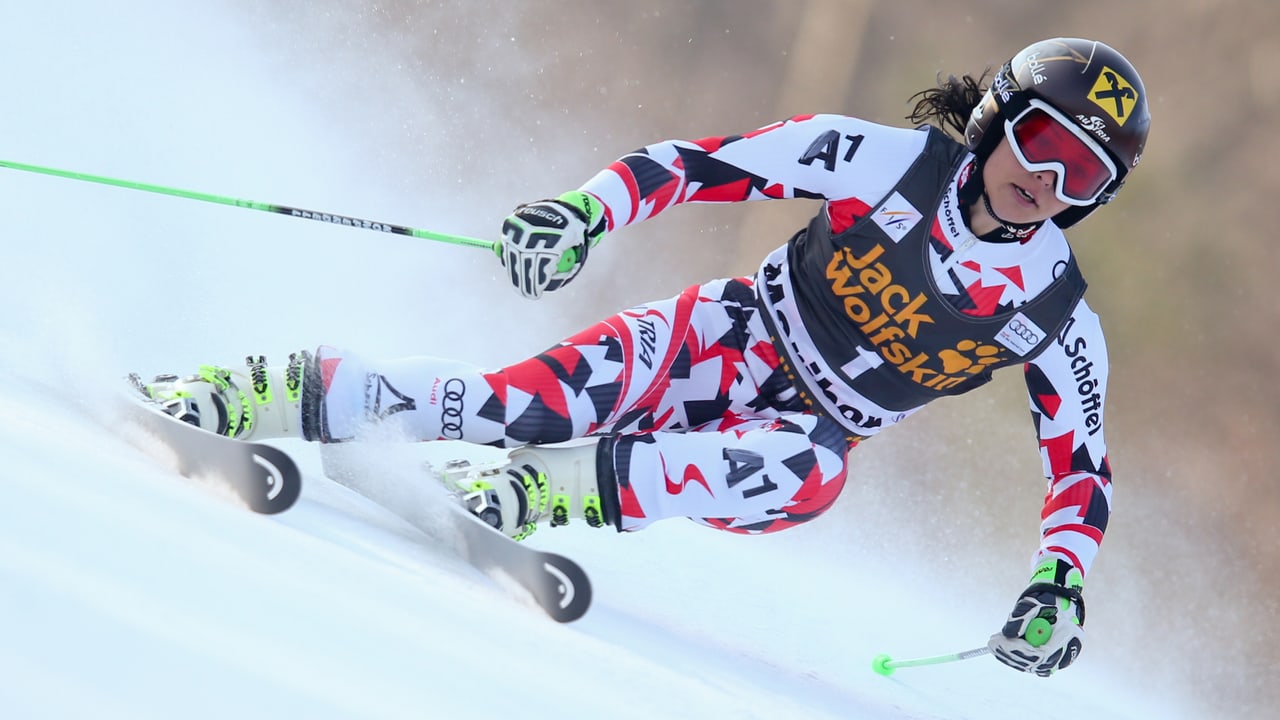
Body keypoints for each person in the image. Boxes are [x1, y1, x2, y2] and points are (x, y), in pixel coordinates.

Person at [141, 37, 1148, 677]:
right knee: (513, 407)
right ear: (994, 123)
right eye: (1041, 142)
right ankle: (265, 391)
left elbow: (1079, 469)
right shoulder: (881, 160)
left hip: (789, 435)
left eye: (1082, 172)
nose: (1047, 179)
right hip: (723, 339)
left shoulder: (1053, 314)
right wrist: (584, 212)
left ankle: (527, 497)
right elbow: (694, 166)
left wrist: (1056, 583)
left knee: (809, 471)